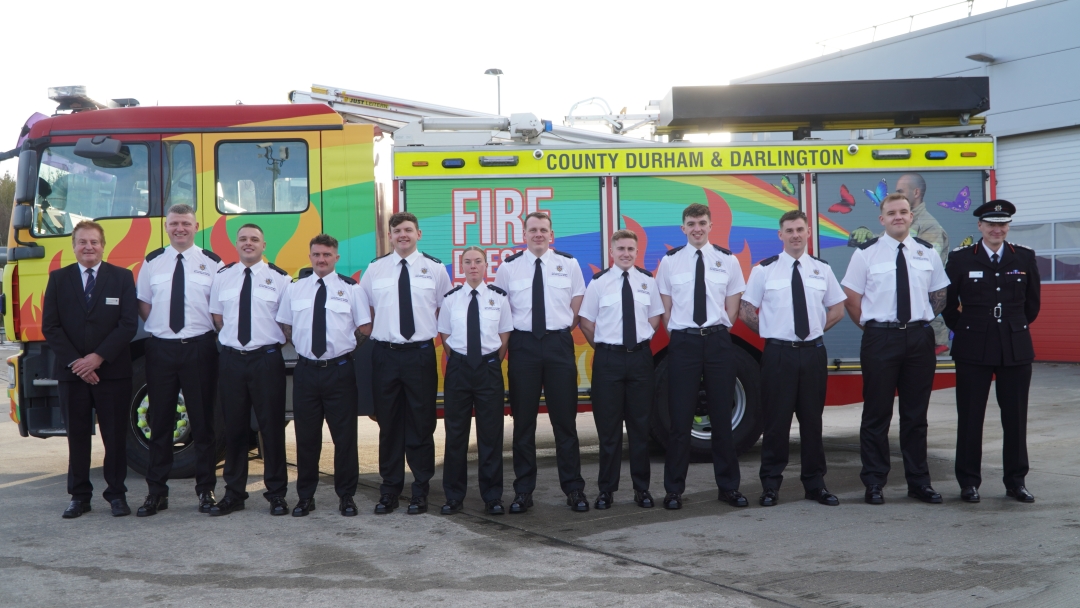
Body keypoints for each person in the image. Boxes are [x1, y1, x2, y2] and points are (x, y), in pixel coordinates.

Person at [841, 193, 950, 506]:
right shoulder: (866, 254)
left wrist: (921, 320)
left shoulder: (927, 253)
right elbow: (852, 298)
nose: (898, 217)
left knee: (915, 416)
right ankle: (874, 482)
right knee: (876, 415)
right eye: (892, 213)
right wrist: (875, 329)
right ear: (882, 219)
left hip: (918, 339)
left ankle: (919, 483)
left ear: (911, 216)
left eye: (903, 211)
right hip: (881, 339)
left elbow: (938, 293)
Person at [739, 210, 846, 507]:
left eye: (800, 229)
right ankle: (770, 486)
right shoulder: (764, 270)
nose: (795, 234)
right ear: (781, 235)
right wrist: (771, 332)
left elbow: (837, 309)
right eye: (789, 230)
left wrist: (813, 330)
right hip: (778, 355)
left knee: (812, 422)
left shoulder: (821, 270)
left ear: (808, 232)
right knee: (776, 423)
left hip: (812, 353)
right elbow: (746, 308)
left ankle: (815, 485)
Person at [943, 200, 1040, 503]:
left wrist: (1010, 326)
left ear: (1008, 227)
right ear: (980, 227)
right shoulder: (960, 259)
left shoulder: (1023, 257)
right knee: (970, 417)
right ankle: (969, 482)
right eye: (991, 224)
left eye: (1003, 224)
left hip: (1015, 347)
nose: (997, 229)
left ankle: (1016, 481)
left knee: (1015, 418)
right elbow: (946, 305)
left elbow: (1032, 306)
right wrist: (970, 327)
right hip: (973, 348)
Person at [42, 220, 138, 518]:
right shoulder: (58, 279)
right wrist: (78, 363)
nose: (88, 247)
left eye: (94, 242)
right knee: (78, 436)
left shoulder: (122, 278)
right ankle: (79, 496)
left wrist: (97, 358)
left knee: (114, 436)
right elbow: (51, 327)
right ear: (73, 246)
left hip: (112, 372)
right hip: (72, 374)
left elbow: (128, 324)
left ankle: (117, 495)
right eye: (82, 242)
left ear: (103, 246)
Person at [655, 203, 748, 510]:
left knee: (722, 417)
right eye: (691, 223)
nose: (697, 228)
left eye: (702, 222)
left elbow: (732, 305)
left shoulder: (727, 260)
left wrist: (717, 330)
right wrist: (682, 335)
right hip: (683, 342)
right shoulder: (669, 262)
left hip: (719, 341)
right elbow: (666, 307)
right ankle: (673, 490)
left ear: (711, 226)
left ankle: (729, 487)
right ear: (683, 228)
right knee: (680, 420)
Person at [494, 211, 589, 513]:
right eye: (532, 230)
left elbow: (576, 309)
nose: (538, 234)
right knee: (523, 424)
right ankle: (523, 491)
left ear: (552, 235)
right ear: (523, 234)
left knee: (565, 422)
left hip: (558, 344)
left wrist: (556, 333)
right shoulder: (508, 268)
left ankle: (573, 489)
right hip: (523, 346)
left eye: (543, 230)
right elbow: (502, 312)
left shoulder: (569, 264)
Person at [359, 212, 451, 515]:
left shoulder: (435, 269)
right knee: (389, 424)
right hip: (385, 355)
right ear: (390, 235)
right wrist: (378, 334)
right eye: (397, 231)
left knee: (422, 424)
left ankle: (421, 490)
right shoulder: (375, 269)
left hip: (420, 355)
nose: (403, 235)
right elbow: (363, 309)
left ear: (419, 234)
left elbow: (445, 310)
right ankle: (390, 489)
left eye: (408, 230)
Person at [135, 204, 223, 517]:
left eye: (185, 223)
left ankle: (206, 491)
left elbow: (219, 309)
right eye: (174, 224)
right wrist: (163, 329)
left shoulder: (212, 263)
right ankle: (156, 493)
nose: (179, 229)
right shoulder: (153, 262)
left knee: (202, 424)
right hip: (161, 349)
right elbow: (144, 304)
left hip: (199, 348)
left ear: (196, 226)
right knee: (160, 424)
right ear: (167, 227)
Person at [277, 234, 369, 517]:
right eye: (316, 254)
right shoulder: (295, 289)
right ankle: (305, 497)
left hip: (340, 372)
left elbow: (364, 328)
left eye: (327, 255)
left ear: (336, 258)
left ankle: (347, 497)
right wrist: (305, 348)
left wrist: (343, 350)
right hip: (307, 372)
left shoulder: (351, 290)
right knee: (306, 438)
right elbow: (285, 325)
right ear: (310, 256)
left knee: (344, 439)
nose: (321, 259)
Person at [208, 224, 291, 516]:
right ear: (236, 243)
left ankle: (277, 494)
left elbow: (287, 324)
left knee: (271, 429)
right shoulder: (223, 277)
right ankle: (234, 493)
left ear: (264, 245)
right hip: (232, 359)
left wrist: (263, 347)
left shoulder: (280, 279)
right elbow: (218, 317)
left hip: (266, 360)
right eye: (243, 239)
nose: (248, 243)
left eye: (254, 239)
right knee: (234, 429)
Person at [578, 229, 664, 509]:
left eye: (631, 249)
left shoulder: (646, 281)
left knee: (640, 429)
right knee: (609, 430)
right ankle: (606, 490)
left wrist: (637, 342)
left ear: (637, 252)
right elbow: (587, 322)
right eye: (621, 249)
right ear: (612, 252)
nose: (626, 253)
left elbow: (654, 318)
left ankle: (642, 489)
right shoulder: (599, 283)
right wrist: (606, 347)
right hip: (608, 361)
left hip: (639, 359)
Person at [437, 246, 513, 515]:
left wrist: (488, 361)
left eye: (477, 262)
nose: (472, 266)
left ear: (486, 266)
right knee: (456, 435)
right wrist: (462, 359)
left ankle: (492, 497)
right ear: (461, 266)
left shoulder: (499, 298)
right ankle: (454, 497)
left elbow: (504, 336)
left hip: (488, 369)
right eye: (467, 262)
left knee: (490, 436)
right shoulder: (450, 299)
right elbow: (445, 336)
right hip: (458, 369)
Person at [895, 173, 952, 355]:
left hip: (930, 334)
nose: (896, 195)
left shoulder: (929, 227)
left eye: (900, 191)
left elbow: (922, 272)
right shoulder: (904, 223)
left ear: (916, 192)